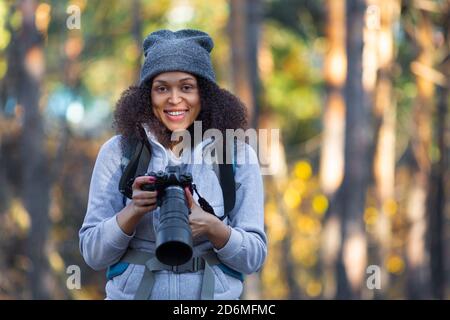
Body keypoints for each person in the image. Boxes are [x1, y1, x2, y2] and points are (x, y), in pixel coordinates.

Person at [79, 29, 267, 300]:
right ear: (147, 95)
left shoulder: (236, 155)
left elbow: (254, 258)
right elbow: (93, 254)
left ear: (205, 93)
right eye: (162, 88)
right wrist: (133, 211)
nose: (175, 99)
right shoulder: (118, 152)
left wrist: (214, 229)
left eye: (187, 87)